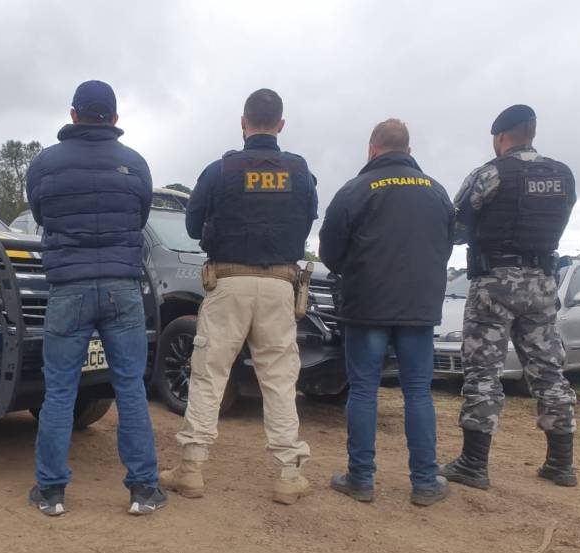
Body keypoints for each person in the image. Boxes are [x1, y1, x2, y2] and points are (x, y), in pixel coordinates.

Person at [160, 89, 318, 505]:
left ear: (243, 123)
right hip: (281, 284)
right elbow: (305, 224)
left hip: (228, 281)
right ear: (281, 125)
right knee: (279, 378)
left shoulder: (220, 170)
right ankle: (288, 473)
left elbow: (193, 227)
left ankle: (191, 469)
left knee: (209, 373)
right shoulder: (301, 172)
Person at [26, 80, 166, 516]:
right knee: (130, 389)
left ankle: (51, 492)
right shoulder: (135, 164)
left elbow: (41, 215)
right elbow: (139, 218)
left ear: (73, 115)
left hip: (68, 287)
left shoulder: (45, 164)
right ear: (115, 118)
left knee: (59, 391)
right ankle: (143, 490)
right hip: (121, 289)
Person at [440, 105, 578, 489]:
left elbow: (455, 226)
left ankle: (473, 463)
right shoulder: (563, 174)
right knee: (548, 370)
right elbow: (561, 218)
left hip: (495, 283)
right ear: (531, 132)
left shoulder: (491, 173)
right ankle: (561, 463)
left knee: (483, 371)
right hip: (543, 283)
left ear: (500, 137)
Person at [319, 119, 454, 506]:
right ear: (409, 151)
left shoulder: (354, 190)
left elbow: (330, 252)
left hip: (367, 306)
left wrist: (357, 271)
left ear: (371, 149)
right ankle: (425, 482)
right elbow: (446, 246)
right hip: (418, 307)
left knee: (363, 388)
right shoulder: (437, 191)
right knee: (418, 391)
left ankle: (360, 478)